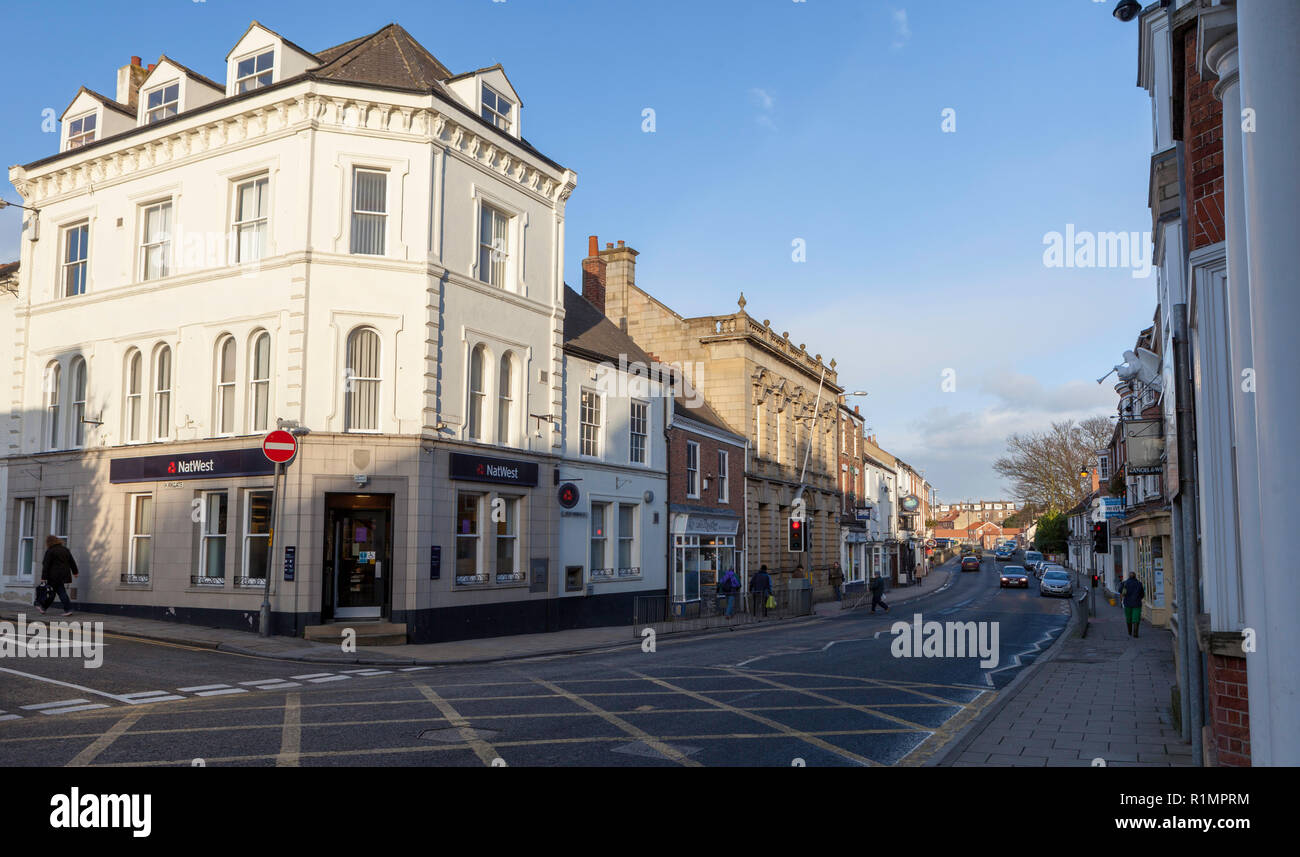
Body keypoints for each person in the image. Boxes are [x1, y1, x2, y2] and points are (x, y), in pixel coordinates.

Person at [38, 534, 79, 616]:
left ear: (49, 542)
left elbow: (46, 565)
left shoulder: (50, 551)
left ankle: (68, 609)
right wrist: (75, 572)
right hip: (64, 575)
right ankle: (43, 608)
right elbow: (71, 561)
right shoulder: (65, 550)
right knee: (55, 592)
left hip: (53, 576)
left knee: (57, 592)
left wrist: (43, 577)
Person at [1121, 571, 1145, 638]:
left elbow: (1120, 590)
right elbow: (1142, 594)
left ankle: (1129, 631)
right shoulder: (1139, 584)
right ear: (1135, 576)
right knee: (1136, 618)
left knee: (1128, 618)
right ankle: (1135, 633)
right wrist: (1138, 598)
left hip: (1127, 603)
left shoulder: (1125, 583)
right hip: (1137, 603)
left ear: (1129, 576)